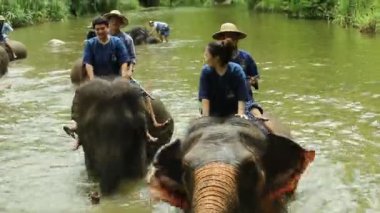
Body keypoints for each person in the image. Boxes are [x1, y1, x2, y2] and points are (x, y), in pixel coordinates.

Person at [63, 17, 154, 150]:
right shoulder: (90, 43)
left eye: (102, 28)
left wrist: (124, 76)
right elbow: (88, 63)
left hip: (116, 78)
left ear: (107, 28)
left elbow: (124, 60)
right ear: (95, 30)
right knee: (80, 92)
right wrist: (92, 80)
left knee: (136, 93)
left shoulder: (117, 42)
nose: (100, 31)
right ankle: (77, 128)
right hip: (98, 79)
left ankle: (145, 130)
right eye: (97, 29)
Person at [104, 10, 169, 128]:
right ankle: (77, 124)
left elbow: (132, 58)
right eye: (111, 21)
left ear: (120, 23)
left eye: (116, 21)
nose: (114, 23)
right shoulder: (103, 38)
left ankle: (153, 121)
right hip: (105, 73)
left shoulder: (127, 39)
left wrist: (129, 71)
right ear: (108, 23)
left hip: (122, 74)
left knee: (143, 93)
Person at [199, 39, 272, 134]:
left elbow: (241, 95)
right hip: (214, 110)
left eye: (206, 55)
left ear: (216, 58)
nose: (204, 57)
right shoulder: (206, 71)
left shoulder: (237, 69)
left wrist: (240, 114)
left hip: (234, 110)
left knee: (262, 130)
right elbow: (205, 96)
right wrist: (205, 117)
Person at [212, 23, 269, 123]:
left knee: (256, 113)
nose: (229, 39)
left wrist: (252, 81)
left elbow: (255, 79)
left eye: (232, 36)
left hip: (244, 98)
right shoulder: (214, 58)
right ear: (221, 39)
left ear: (237, 39)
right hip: (220, 98)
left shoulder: (246, 57)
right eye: (226, 36)